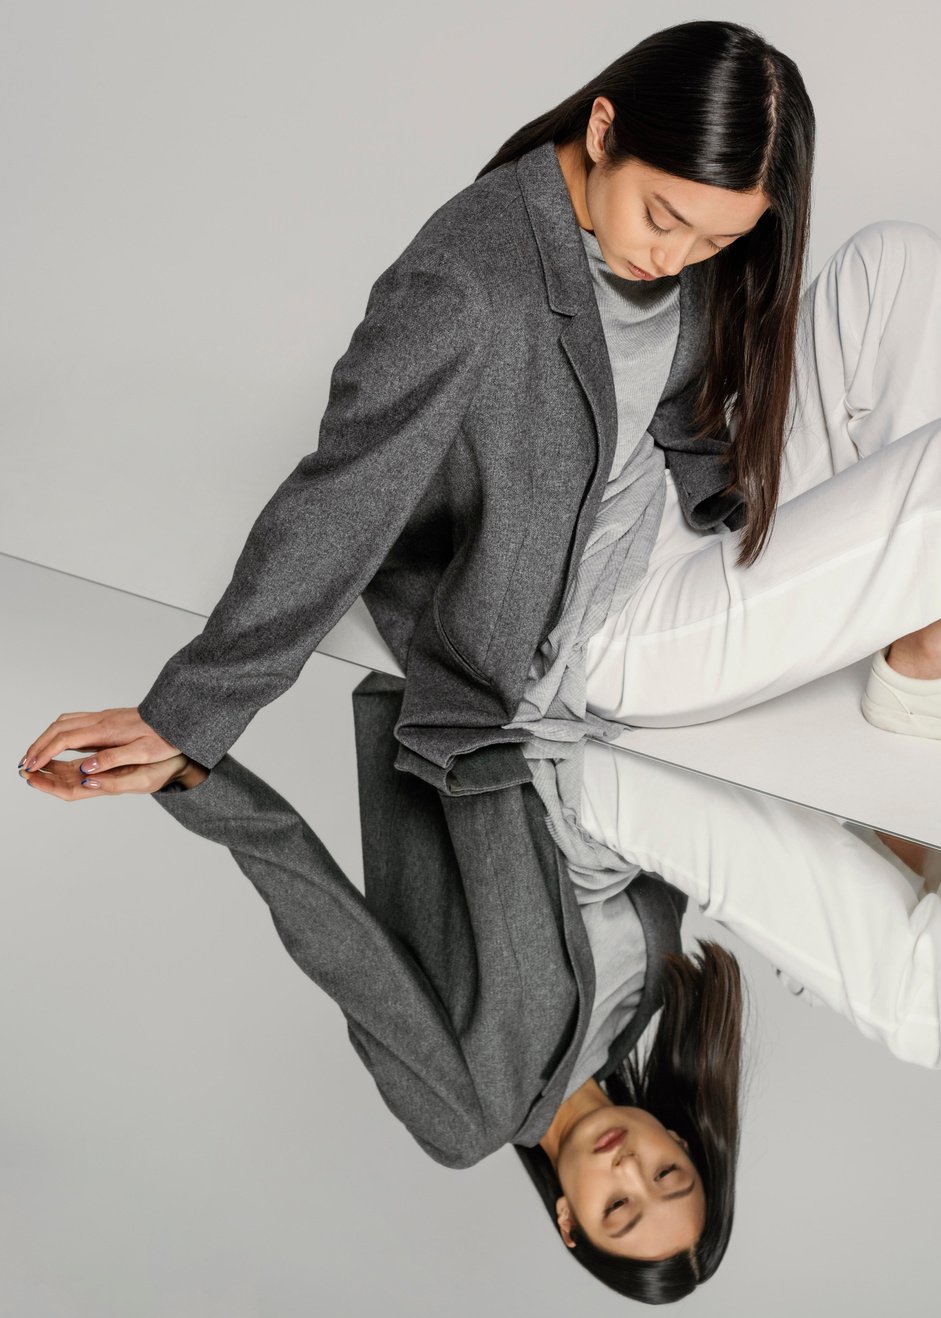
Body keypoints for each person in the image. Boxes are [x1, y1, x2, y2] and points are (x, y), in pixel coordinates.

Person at [20, 670, 746, 1304]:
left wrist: (189, 772)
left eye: (617, 1206)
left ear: (568, 1221)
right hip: (593, 700)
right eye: (664, 1173)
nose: (628, 1167)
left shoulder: (470, 1117)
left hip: (464, 696)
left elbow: (339, 943)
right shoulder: (644, 1000)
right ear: (678, 1140)